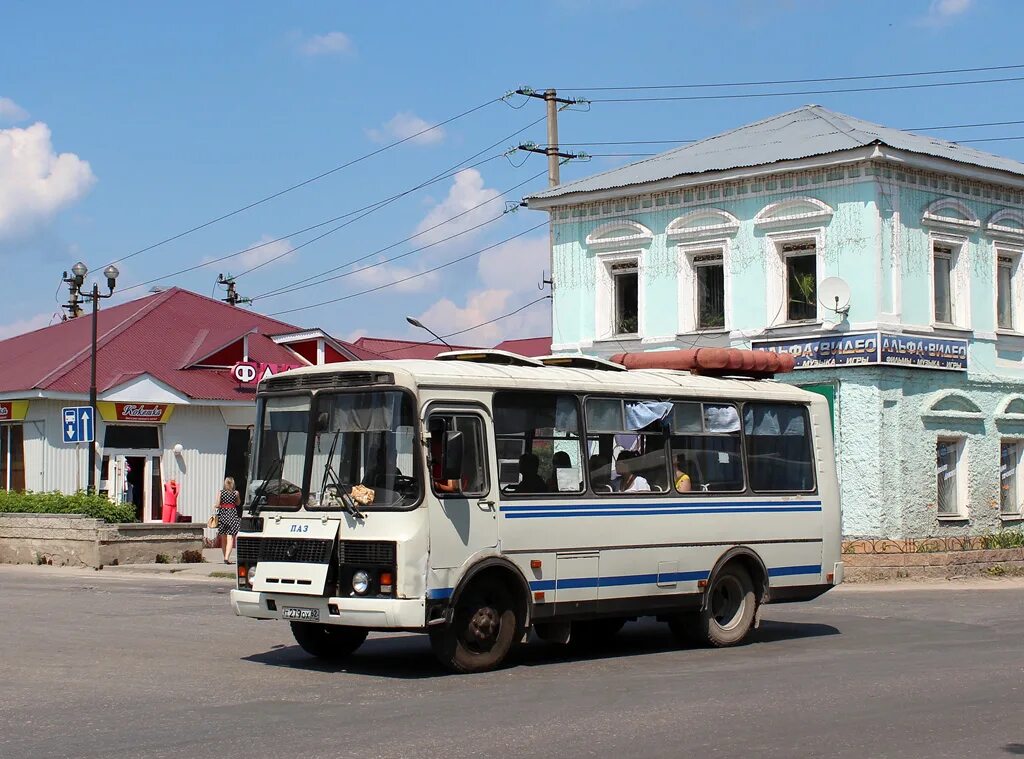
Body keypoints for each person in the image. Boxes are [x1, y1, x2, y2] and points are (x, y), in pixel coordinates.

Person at [215, 476, 241, 564]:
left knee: (223, 538)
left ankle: (225, 557)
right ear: (233, 483)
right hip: (232, 515)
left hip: (223, 515)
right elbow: (238, 503)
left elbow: (217, 504)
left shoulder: (221, 492)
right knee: (230, 538)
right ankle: (226, 557)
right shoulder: (236, 493)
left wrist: (220, 505)